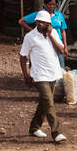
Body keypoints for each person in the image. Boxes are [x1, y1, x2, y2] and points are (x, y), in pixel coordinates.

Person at [19, 10, 67, 143]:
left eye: (44, 23)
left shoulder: (53, 34)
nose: (41, 25)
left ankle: (34, 127)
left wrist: (51, 36)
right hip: (39, 75)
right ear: (35, 23)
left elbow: (61, 50)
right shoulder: (30, 37)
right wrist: (26, 75)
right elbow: (22, 56)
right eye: (39, 22)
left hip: (53, 73)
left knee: (44, 102)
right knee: (49, 102)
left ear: (49, 24)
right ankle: (56, 131)